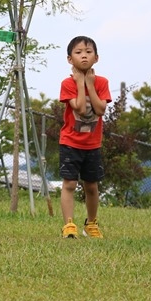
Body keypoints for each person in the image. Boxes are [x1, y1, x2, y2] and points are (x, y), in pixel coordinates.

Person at [58, 35, 111, 239]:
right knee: (69, 183)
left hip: (93, 144)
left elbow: (100, 109)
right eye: (78, 53)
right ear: (70, 59)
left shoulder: (102, 82)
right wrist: (80, 83)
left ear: (96, 58)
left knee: (91, 185)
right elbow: (80, 108)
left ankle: (91, 223)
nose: (84, 56)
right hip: (70, 142)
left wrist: (89, 84)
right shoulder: (67, 84)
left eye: (88, 53)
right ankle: (69, 225)